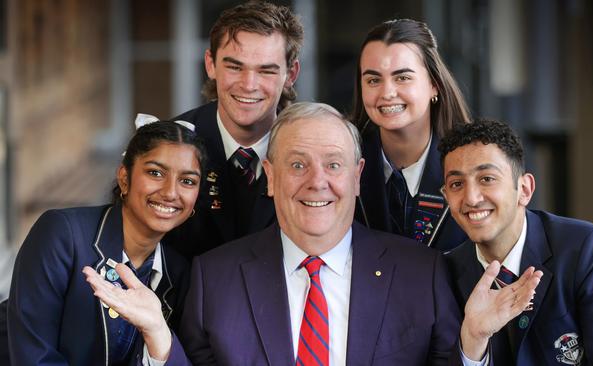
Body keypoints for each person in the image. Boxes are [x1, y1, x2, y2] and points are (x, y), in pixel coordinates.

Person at [85, 102, 542, 366]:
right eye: (297, 165)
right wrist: (158, 339)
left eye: (334, 165)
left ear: (359, 174)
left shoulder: (421, 273)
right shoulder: (214, 279)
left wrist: (474, 346)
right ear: (269, 175)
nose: (317, 181)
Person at [440, 119, 593, 365]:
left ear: (525, 189)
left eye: (487, 179)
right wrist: (474, 340)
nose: (471, 198)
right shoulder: (445, 273)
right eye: (456, 184)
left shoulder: (590, 252)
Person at [6, 120, 207, 365]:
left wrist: (158, 335)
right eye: (155, 173)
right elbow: (33, 357)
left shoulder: (179, 273)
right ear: (124, 177)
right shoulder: (63, 235)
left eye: (188, 181)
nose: (170, 192)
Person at [163, 0, 303, 259]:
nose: (249, 85)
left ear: (291, 74)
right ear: (210, 64)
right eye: (235, 67)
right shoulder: (167, 146)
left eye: (266, 71)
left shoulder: (311, 148)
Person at [350, 19, 469, 251]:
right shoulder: (341, 165)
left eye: (402, 77)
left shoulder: (474, 166)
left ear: (434, 84)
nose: (387, 93)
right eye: (373, 80)